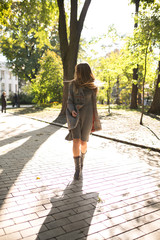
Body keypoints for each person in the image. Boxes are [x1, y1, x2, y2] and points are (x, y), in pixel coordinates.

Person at [65, 63, 102, 180]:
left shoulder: (92, 87)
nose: (76, 73)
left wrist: (94, 121)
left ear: (83, 71)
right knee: (76, 140)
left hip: (88, 116)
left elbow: (94, 106)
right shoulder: (73, 84)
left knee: (83, 142)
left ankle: (82, 161)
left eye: (78, 71)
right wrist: (72, 111)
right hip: (75, 116)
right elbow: (69, 101)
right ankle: (77, 169)